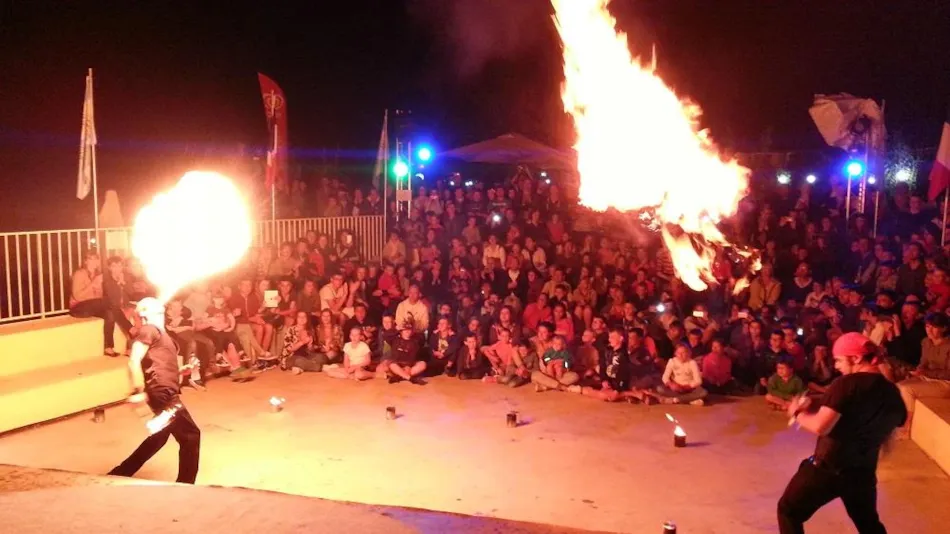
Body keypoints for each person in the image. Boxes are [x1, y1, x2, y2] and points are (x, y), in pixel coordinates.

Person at [777, 332, 907, 534]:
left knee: (788, 511)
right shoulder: (891, 391)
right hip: (863, 473)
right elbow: (895, 421)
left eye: (838, 360)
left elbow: (821, 426)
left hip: (828, 468)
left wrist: (797, 413)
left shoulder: (846, 383)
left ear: (855, 358)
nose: (836, 366)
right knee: (869, 525)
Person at [107, 298, 201, 484]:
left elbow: (162, 366)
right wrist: (138, 389)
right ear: (145, 313)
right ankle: (186, 484)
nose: (161, 309)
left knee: (159, 437)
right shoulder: (148, 329)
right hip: (162, 391)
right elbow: (133, 360)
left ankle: (120, 472)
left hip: (164, 389)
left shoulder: (164, 337)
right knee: (191, 436)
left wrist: (184, 370)